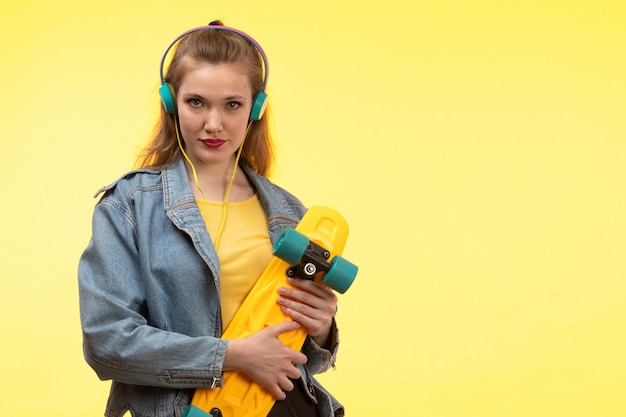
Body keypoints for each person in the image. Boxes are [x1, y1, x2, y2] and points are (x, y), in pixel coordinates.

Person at [78, 20, 344, 417]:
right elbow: (107, 341)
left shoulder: (289, 213)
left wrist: (320, 326)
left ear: (255, 108)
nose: (213, 124)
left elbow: (306, 359)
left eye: (232, 104)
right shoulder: (129, 205)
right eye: (196, 102)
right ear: (171, 102)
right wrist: (230, 356)